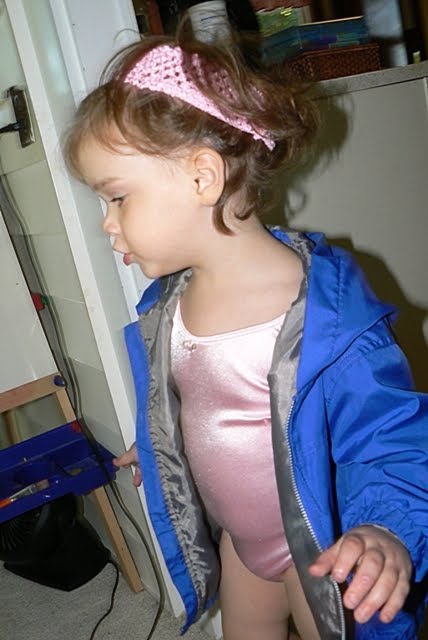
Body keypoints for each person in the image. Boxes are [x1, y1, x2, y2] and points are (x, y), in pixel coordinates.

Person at [63, 24, 427, 640]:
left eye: (117, 198)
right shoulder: (167, 307)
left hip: (322, 555)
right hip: (243, 548)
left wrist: (387, 529)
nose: (106, 224)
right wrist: (157, 444)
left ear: (202, 177)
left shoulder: (327, 318)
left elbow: (391, 439)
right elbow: (201, 406)